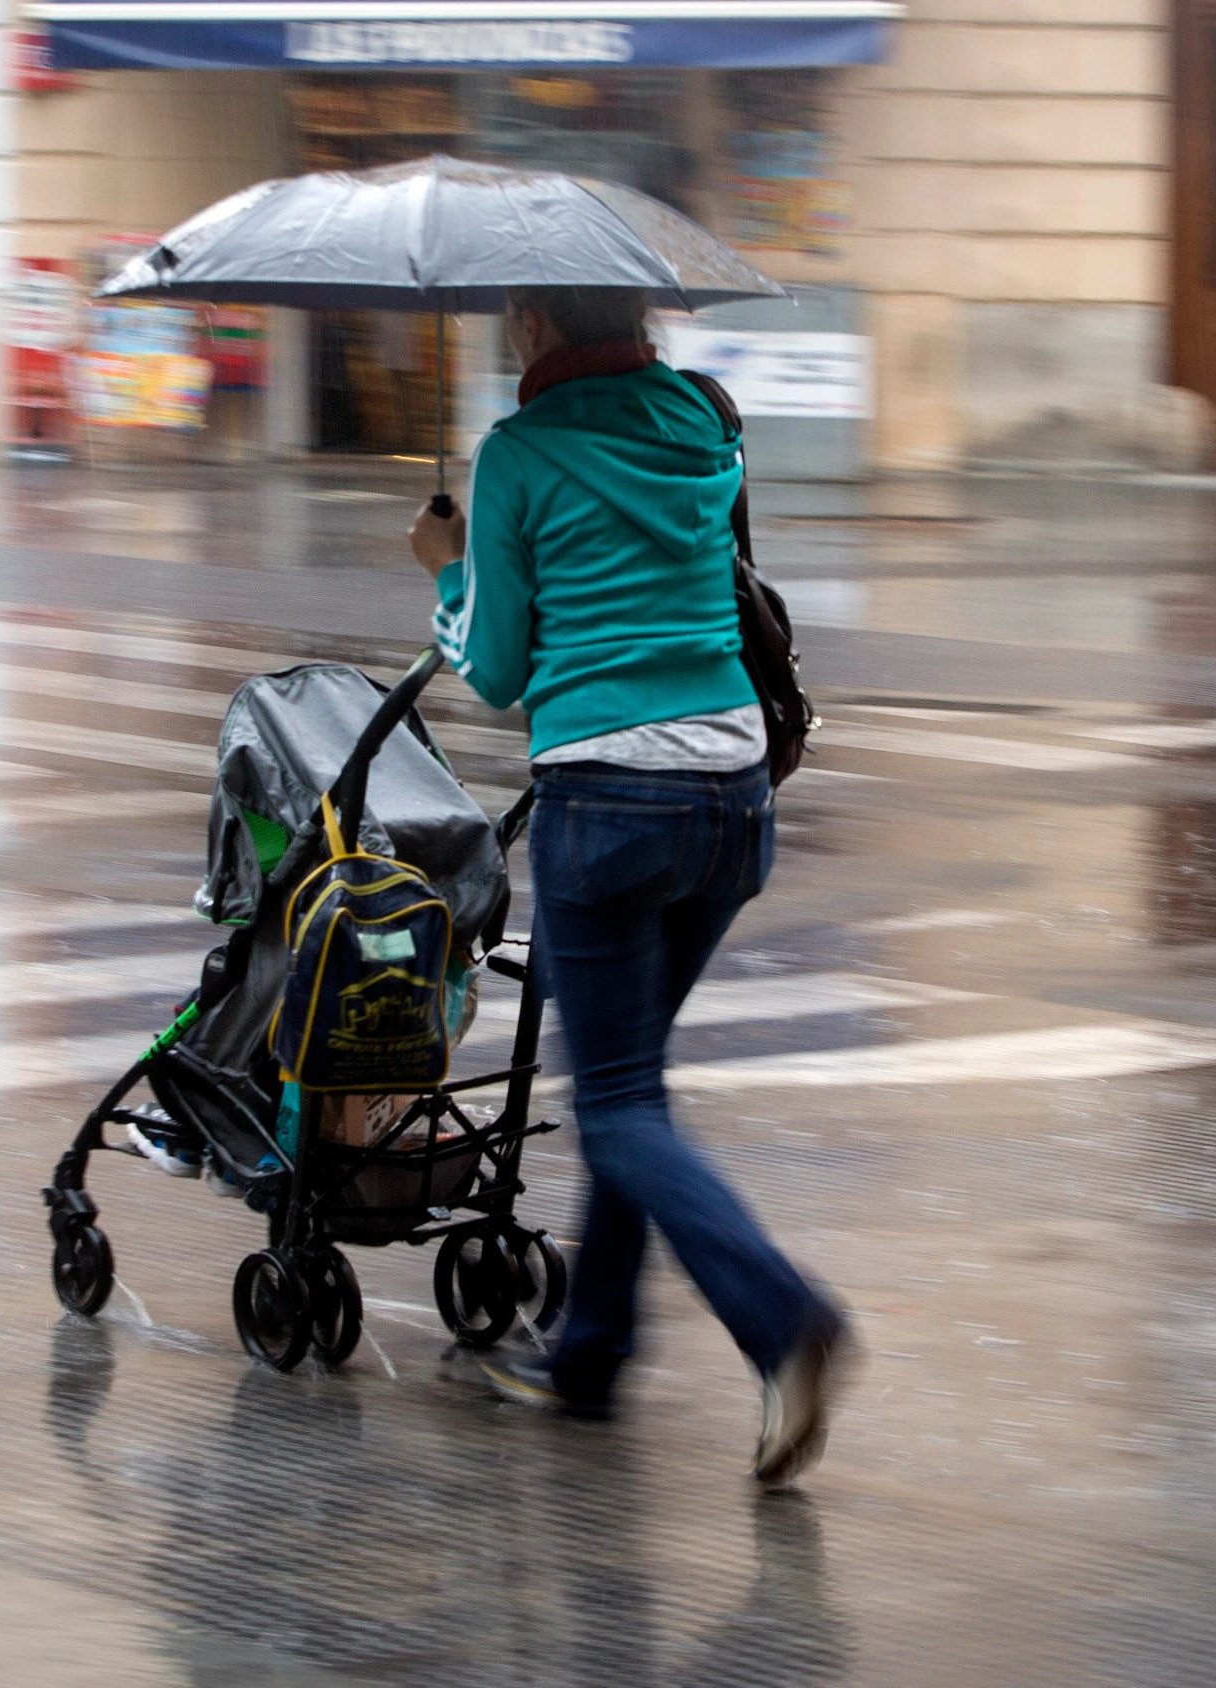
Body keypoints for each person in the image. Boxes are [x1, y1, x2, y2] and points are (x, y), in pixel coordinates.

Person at [404, 284, 853, 1487]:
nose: (507, 332)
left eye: (513, 315)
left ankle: (786, 1318)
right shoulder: (708, 420)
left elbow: (495, 669)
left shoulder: (518, 451)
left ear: (541, 325)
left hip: (609, 801)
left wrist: (449, 569)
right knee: (630, 1086)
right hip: (733, 795)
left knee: (614, 1102)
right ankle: (589, 1353)